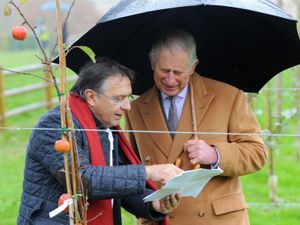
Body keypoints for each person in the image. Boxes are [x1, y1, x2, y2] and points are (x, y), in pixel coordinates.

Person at [125, 29, 268, 225]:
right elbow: (132, 169)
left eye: (178, 72)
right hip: (162, 219)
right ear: (151, 62)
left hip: (216, 220)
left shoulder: (228, 96)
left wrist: (215, 154)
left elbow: (257, 153)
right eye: (164, 70)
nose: (170, 79)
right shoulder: (135, 108)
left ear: (193, 66)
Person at [17, 57, 183, 225]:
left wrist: (153, 203)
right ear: (91, 97)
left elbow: (117, 184)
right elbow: (84, 179)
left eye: (129, 97)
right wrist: (149, 172)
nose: (127, 106)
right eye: (119, 98)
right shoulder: (57, 125)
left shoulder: (105, 128)